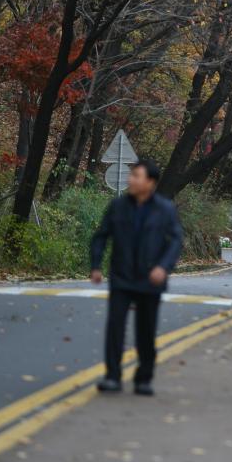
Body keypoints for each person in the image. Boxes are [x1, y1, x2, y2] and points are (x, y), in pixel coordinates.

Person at [90, 158, 183, 394]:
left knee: (146, 330)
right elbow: (101, 236)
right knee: (115, 328)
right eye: (131, 175)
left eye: (136, 176)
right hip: (122, 277)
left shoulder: (165, 209)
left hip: (150, 279)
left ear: (150, 182)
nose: (130, 179)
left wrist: (164, 267)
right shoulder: (118, 206)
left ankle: (144, 378)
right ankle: (112, 376)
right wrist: (96, 265)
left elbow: (175, 241)